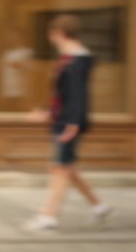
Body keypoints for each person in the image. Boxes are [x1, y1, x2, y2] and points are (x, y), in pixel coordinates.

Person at [24, 14, 111, 231]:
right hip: (63, 119)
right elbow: (62, 94)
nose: (51, 40)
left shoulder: (78, 60)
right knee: (67, 168)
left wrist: (72, 123)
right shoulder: (68, 59)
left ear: (59, 34)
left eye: (52, 35)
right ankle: (98, 207)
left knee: (59, 169)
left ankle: (48, 215)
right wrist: (46, 112)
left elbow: (78, 95)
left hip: (69, 123)